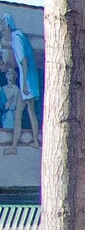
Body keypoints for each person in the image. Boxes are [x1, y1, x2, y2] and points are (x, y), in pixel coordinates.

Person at [3, 14, 40, 152]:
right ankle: (35, 141)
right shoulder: (18, 35)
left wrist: (24, 84)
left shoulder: (17, 38)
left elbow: (24, 61)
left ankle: (14, 147)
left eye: (3, 28)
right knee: (30, 112)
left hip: (27, 82)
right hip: (30, 81)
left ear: (8, 26)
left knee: (19, 113)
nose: (3, 32)